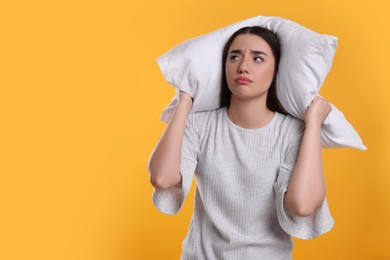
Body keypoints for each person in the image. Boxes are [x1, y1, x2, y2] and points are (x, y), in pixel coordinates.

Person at [147, 26, 334, 260]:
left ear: (276, 70)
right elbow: (162, 178)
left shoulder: (292, 132)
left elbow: (303, 206)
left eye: (258, 58)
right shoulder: (199, 124)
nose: (243, 66)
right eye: (234, 56)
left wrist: (314, 123)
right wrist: (184, 101)